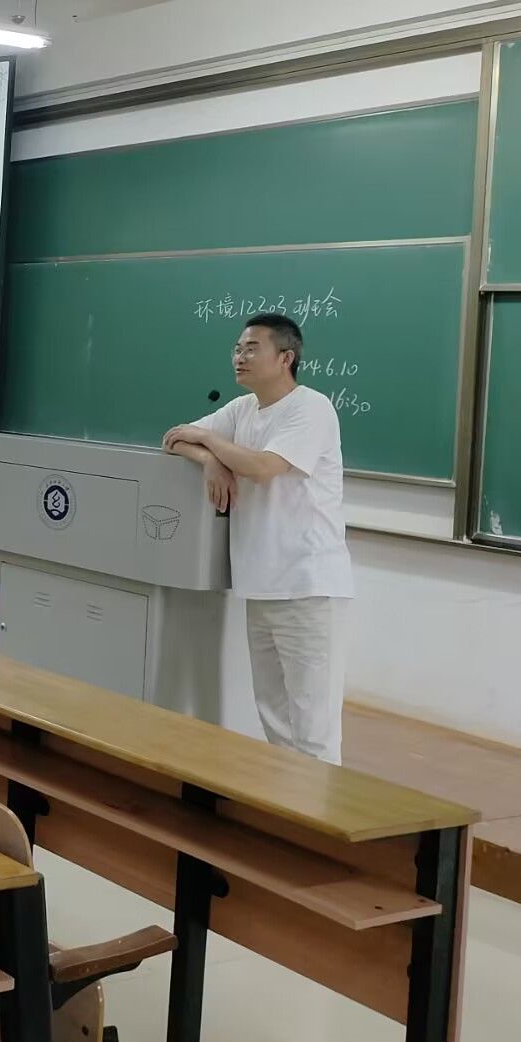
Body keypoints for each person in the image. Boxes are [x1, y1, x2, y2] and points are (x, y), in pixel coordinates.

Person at [163, 312, 353, 763]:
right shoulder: (241, 409)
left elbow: (264, 467)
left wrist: (210, 442)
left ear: (285, 358)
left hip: (307, 585)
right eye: (237, 348)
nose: (239, 357)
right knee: (274, 715)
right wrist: (210, 460)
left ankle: (318, 806)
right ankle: (283, 802)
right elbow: (173, 439)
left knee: (313, 723)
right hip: (260, 583)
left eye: (252, 348)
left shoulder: (311, 408)